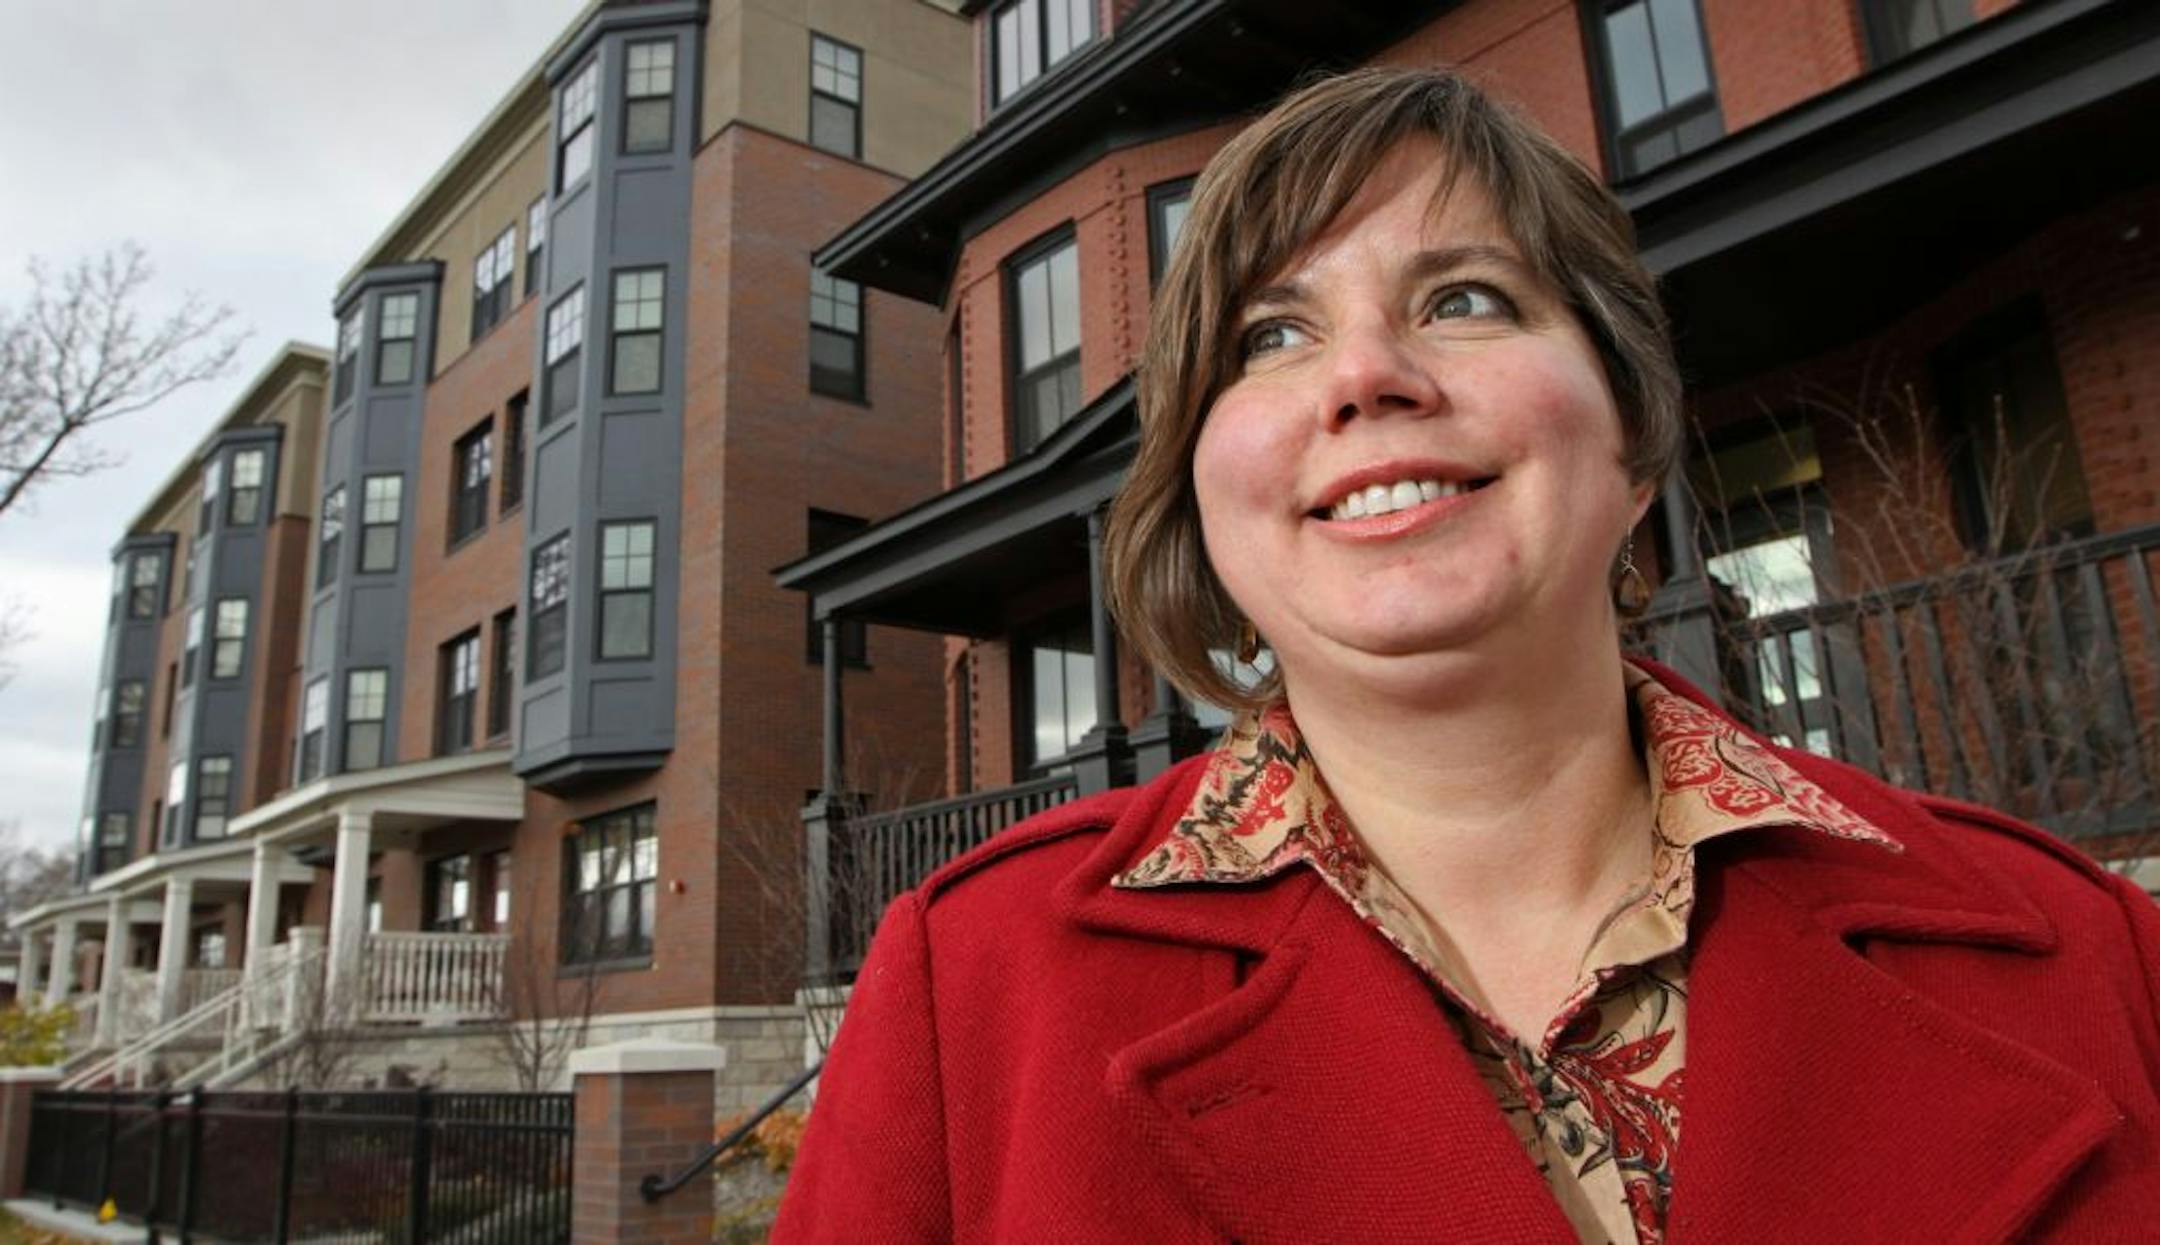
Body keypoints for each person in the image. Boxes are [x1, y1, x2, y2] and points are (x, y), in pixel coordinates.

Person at [773, 68, 2160, 1243]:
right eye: (1271, 335)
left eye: (1468, 301)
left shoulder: (2099, 960)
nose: (1367, 374)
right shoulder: (969, 994)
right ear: (1204, 493)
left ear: (1628, 439)